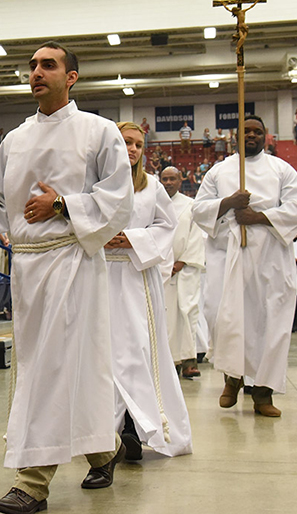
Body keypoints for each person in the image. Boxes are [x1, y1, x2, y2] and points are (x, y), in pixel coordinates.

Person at [0, 42, 133, 514]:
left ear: (73, 77)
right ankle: (105, 448)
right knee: (59, 366)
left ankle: (33, 481)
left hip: (72, 262)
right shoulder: (16, 138)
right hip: (28, 267)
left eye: (49, 65)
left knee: (53, 366)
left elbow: (119, 198)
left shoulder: (99, 132)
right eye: (32, 66)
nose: (37, 72)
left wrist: (62, 204)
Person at [192, 115, 297, 417]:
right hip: (227, 254)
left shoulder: (281, 169)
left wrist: (257, 217)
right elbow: (199, 210)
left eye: (257, 131)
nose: (252, 135)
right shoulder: (219, 172)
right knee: (223, 316)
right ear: (236, 137)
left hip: (270, 255)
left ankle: (263, 393)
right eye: (246, 131)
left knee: (270, 322)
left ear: (266, 136)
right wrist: (229, 203)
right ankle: (232, 378)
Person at [103, 123, 191, 467]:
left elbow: (166, 227)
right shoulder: (96, 182)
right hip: (101, 276)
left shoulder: (152, 186)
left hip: (136, 276)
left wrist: (132, 239)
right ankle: (106, 433)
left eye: (138, 144)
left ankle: (136, 429)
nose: (133, 149)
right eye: (126, 142)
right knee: (105, 353)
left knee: (138, 350)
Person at [160, 166, 205, 379]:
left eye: (172, 179)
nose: (168, 183)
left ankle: (189, 360)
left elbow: (196, 236)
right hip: (161, 269)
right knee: (165, 316)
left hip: (185, 269)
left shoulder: (191, 206)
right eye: (164, 179)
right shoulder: (155, 204)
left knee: (187, 312)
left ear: (181, 180)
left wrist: (181, 262)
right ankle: (168, 361)